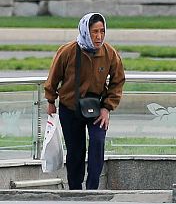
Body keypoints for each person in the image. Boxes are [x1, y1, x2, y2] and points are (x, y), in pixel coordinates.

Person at [44, 13, 125, 190]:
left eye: (102, 31)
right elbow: (53, 77)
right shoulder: (67, 51)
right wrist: (51, 100)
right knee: (75, 152)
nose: (99, 36)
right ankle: (75, 191)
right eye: (94, 31)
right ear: (85, 31)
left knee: (97, 143)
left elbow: (118, 81)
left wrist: (107, 108)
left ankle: (92, 190)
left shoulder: (109, 53)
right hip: (70, 107)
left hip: (96, 108)